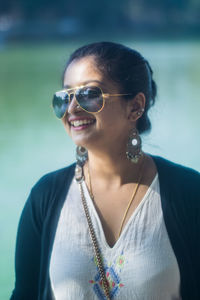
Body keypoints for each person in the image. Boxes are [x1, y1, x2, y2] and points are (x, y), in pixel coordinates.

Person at [11, 41, 200, 300]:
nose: (73, 108)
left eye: (89, 94)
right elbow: (25, 294)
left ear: (135, 106)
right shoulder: (45, 196)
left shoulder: (189, 192)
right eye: (65, 97)